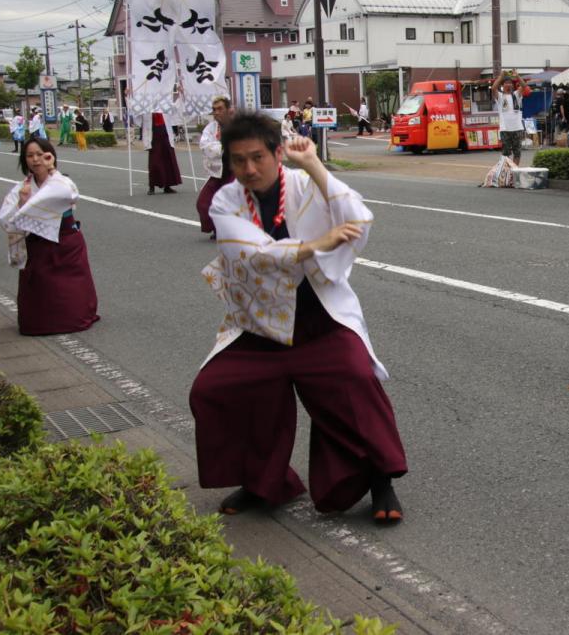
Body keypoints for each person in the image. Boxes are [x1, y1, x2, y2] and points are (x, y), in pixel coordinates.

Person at [189, 113, 407, 521]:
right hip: (259, 324)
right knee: (213, 389)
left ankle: (380, 482)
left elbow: (357, 217)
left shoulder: (305, 184)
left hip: (319, 318)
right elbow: (249, 253)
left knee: (355, 380)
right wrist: (316, 244)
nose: (249, 169)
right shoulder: (226, 200)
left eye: (258, 157)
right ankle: (262, 482)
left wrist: (314, 165)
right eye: (239, 160)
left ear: (278, 154)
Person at [0, 138, 99, 335]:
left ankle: (73, 317)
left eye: (40, 154)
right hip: (37, 244)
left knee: (71, 288)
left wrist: (52, 169)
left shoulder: (61, 181)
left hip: (65, 241)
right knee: (39, 287)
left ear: (49, 156)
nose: (36, 160)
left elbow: (70, 193)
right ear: (24, 159)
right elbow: (4, 216)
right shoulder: (21, 188)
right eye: (30, 155)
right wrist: (22, 203)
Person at [197, 96, 235, 238]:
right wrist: (223, 146)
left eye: (220, 109)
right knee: (203, 203)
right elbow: (204, 145)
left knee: (230, 202)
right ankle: (217, 229)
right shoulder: (211, 128)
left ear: (228, 110)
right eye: (214, 109)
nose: (216, 112)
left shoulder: (238, 126)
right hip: (217, 171)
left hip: (235, 172)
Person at [491, 70, 530, 166]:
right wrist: (501, 77)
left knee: (517, 152)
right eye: (506, 83)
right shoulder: (500, 96)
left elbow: (524, 86)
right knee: (506, 154)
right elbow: (493, 88)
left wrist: (517, 76)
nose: (508, 84)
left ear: (512, 85)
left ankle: (515, 171)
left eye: (510, 83)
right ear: (502, 85)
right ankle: (508, 171)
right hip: (505, 129)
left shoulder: (516, 95)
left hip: (517, 128)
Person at [144, 110, 182, 194]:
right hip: (153, 134)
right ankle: (152, 186)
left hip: (165, 132)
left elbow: (174, 112)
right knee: (154, 162)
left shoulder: (165, 105)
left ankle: (167, 186)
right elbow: (139, 116)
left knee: (168, 159)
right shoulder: (148, 107)